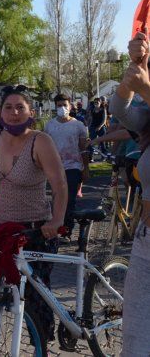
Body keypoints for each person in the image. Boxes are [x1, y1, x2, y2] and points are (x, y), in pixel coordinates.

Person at [0, 85, 68, 347]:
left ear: (31, 111)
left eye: (20, 107)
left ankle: (41, 348)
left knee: (35, 296)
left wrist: (56, 221)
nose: (14, 112)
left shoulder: (40, 141)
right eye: (8, 107)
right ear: (1, 111)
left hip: (35, 231)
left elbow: (60, 184)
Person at [108, 27, 150, 356]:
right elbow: (120, 111)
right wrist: (131, 76)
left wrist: (146, 86)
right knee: (136, 343)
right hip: (146, 242)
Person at [44, 94, 89, 237]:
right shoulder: (49, 126)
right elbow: (44, 149)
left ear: (70, 106)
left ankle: (67, 230)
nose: (62, 108)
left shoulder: (78, 125)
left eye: (65, 105)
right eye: (59, 105)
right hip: (55, 168)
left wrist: (86, 168)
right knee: (57, 199)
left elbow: (84, 149)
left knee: (69, 200)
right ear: (55, 107)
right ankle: (57, 227)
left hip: (74, 167)